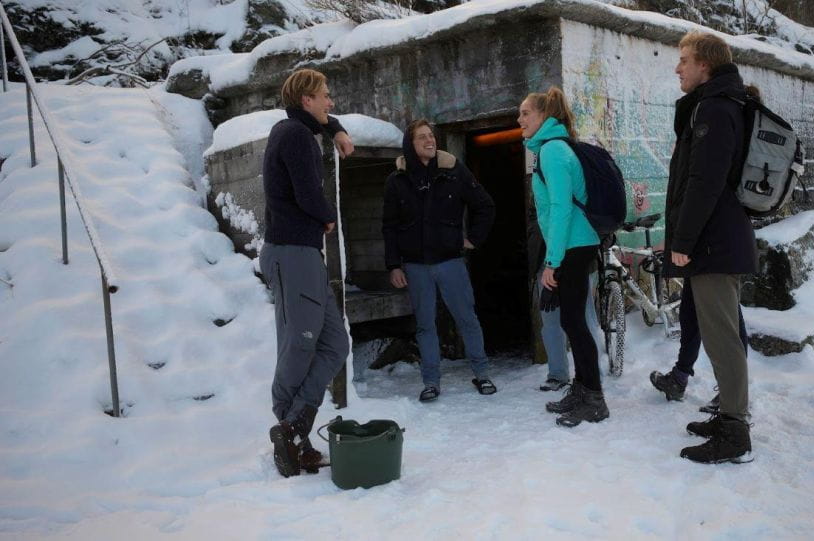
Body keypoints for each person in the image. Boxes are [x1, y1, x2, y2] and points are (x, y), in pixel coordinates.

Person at [662, 31, 758, 464]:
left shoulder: (716, 109)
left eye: (684, 59)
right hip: (716, 238)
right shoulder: (715, 106)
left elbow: (704, 181)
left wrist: (682, 241)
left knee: (722, 338)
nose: (678, 67)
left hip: (713, 242)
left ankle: (735, 433)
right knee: (721, 334)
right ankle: (729, 419)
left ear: (706, 65)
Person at [258, 69, 355, 477]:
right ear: (306, 100)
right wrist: (327, 217)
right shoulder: (295, 136)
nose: (330, 102)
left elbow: (321, 120)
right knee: (299, 343)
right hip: (292, 252)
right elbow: (306, 192)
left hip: (302, 253)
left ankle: (294, 428)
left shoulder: (296, 128)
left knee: (335, 344)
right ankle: (291, 431)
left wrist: (335, 129)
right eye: (325, 96)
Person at [382, 119, 496, 402]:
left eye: (431, 136)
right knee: (425, 325)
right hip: (415, 265)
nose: (430, 141)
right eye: (422, 137)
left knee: (466, 318)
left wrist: (473, 239)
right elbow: (389, 226)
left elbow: (485, 205)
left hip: (450, 262)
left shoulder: (454, 171)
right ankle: (431, 382)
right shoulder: (397, 180)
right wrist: (393, 264)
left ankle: (482, 374)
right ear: (410, 144)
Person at [519, 87, 607, 427]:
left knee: (575, 322)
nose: (520, 120)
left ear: (544, 116)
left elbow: (560, 208)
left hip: (573, 244)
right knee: (572, 321)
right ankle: (583, 389)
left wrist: (552, 261)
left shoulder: (553, 151)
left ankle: (595, 398)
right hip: (574, 243)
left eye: (526, 113)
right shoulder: (553, 148)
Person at [527, 210, 602, 392]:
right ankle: (557, 373)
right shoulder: (542, 187)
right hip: (546, 260)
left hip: (576, 259)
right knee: (550, 319)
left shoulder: (571, 182)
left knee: (583, 318)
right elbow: (536, 215)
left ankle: (591, 375)